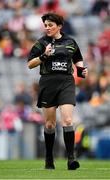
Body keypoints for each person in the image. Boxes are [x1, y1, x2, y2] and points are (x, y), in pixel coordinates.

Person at [27, 12, 88, 170]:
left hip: (67, 82)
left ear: (59, 26)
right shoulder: (41, 43)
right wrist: (44, 56)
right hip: (48, 83)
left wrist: (81, 70)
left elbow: (78, 58)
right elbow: (30, 64)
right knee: (49, 124)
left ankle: (71, 159)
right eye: (45, 25)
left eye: (50, 25)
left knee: (68, 120)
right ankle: (49, 158)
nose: (47, 28)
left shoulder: (70, 42)